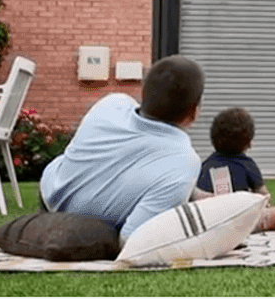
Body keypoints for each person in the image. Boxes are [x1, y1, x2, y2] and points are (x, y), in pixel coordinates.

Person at [40, 55, 210, 242]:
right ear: (194, 113)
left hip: (50, 194)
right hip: (89, 226)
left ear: (143, 92)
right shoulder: (184, 162)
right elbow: (131, 239)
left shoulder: (112, 104)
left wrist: (192, 193)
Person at [197, 107, 275, 231]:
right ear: (248, 142)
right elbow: (263, 196)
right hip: (240, 222)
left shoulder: (205, 165)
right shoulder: (247, 164)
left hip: (211, 223)